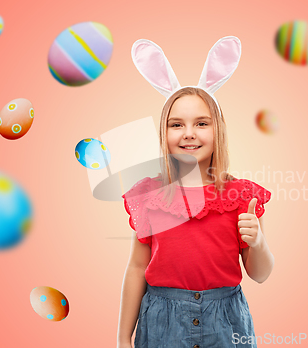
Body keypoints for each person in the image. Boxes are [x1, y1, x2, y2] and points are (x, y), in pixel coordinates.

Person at [117, 37, 274, 348]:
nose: (189, 133)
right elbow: (136, 267)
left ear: (218, 131)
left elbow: (260, 274)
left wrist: (257, 242)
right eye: (177, 125)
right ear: (164, 133)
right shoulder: (150, 195)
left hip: (226, 323)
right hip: (162, 322)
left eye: (201, 123)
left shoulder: (242, 196)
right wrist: (123, 337)